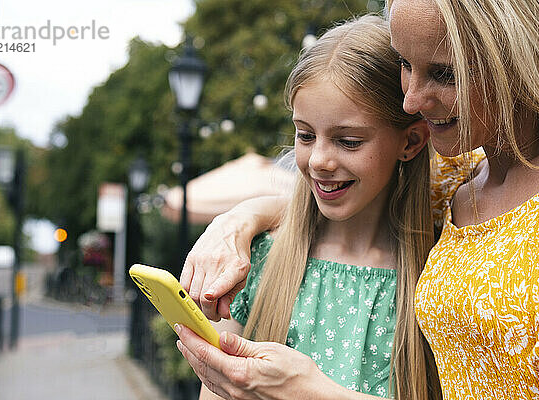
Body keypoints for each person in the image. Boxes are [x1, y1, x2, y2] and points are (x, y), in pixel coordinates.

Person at [178, 0, 539, 398]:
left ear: (516, 58)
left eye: (445, 73)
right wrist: (233, 224)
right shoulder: (456, 177)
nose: (410, 101)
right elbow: (335, 198)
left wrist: (309, 393)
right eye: (404, 63)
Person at [181, 15, 440, 400]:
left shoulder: (437, 278)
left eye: (348, 141)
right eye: (305, 134)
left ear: (411, 142)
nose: (318, 160)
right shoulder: (262, 259)